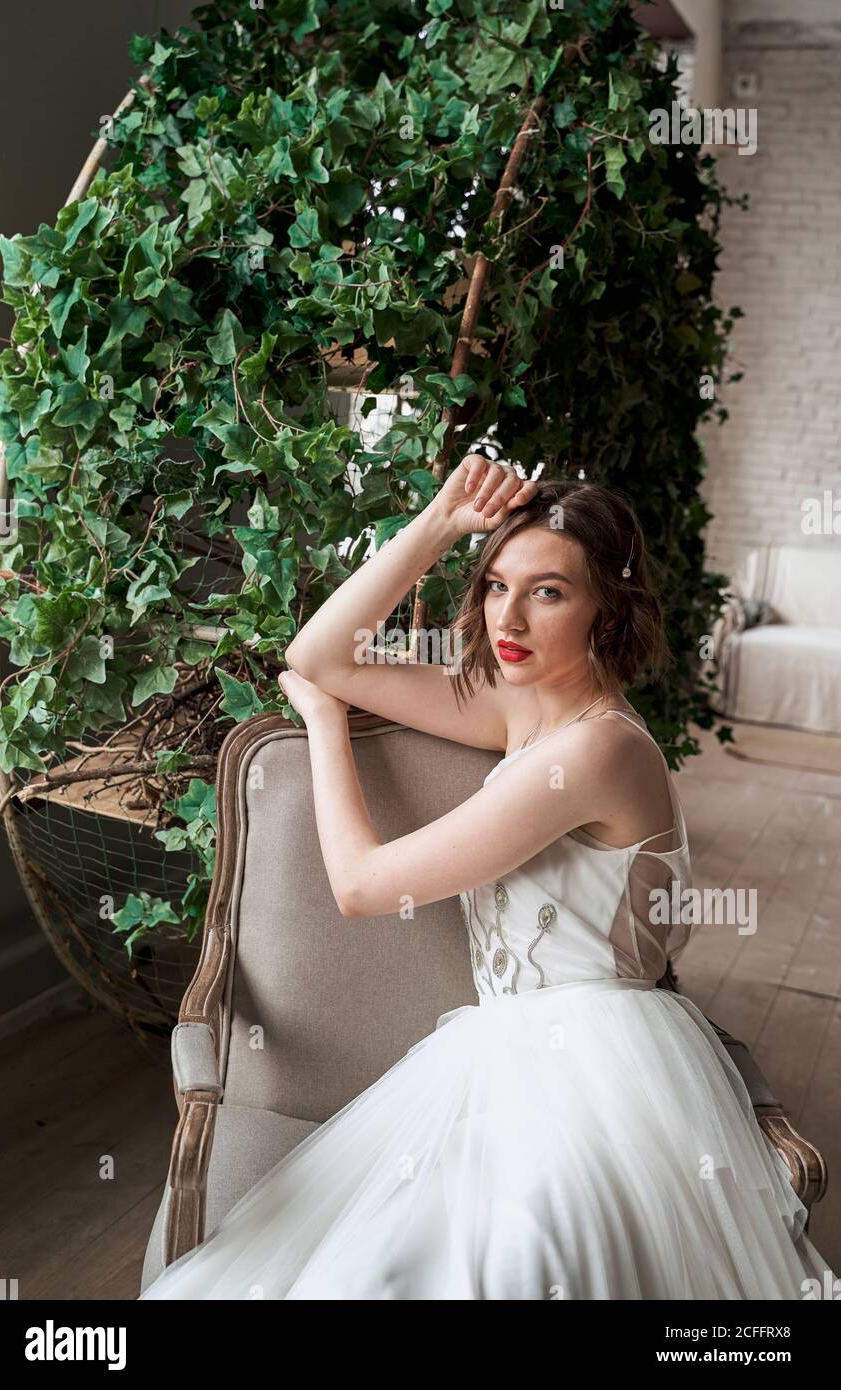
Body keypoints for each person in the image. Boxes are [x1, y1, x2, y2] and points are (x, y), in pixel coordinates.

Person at [140, 455, 836, 1300]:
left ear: (607, 610)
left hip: (592, 1068)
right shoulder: (521, 708)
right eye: (497, 584)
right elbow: (319, 652)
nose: (509, 616)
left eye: (549, 592)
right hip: (495, 1047)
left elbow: (362, 886)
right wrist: (440, 522)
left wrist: (325, 726)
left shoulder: (600, 749)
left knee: (501, 1263)